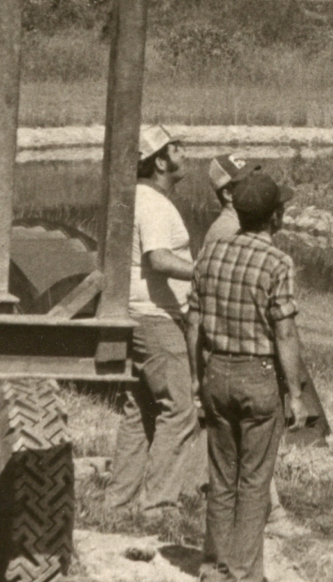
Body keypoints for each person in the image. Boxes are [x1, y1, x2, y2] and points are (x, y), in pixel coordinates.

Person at [189, 167, 306, 582]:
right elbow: (285, 332)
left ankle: (215, 567)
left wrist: (197, 375)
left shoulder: (211, 254)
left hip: (216, 369)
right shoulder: (278, 262)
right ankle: (242, 574)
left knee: (222, 477)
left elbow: (193, 322)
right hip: (258, 374)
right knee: (254, 481)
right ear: (275, 216)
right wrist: (296, 394)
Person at [106, 124, 204, 518]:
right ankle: (159, 504)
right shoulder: (154, 204)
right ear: (159, 162)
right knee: (180, 409)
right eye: (176, 149)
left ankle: (119, 501)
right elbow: (158, 259)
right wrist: (204, 271)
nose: (185, 154)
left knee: (141, 408)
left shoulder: (138, 198)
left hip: (136, 312)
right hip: (156, 316)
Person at [204, 153, 250, 246]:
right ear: (228, 195)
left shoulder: (237, 222)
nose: (254, 186)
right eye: (246, 183)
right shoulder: (230, 230)